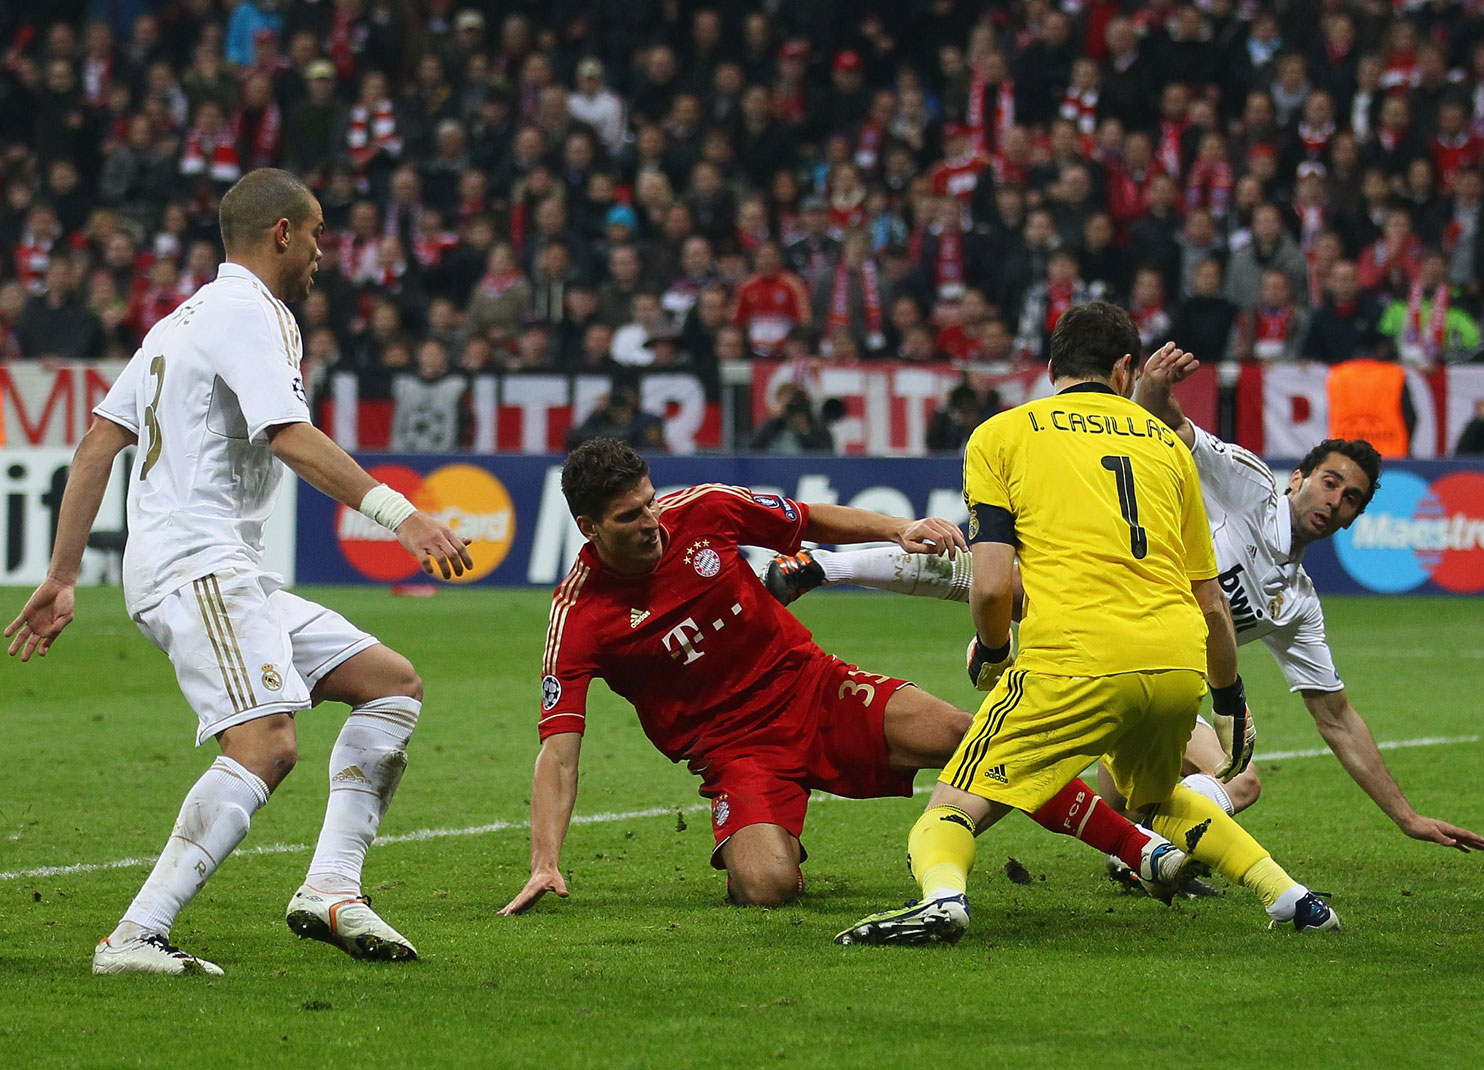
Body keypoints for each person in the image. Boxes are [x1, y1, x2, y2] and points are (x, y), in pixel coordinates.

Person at [4, 169, 472, 976]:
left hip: (221, 569)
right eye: (318, 235)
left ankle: (331, 887)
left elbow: (96, 447)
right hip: (198, 560)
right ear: (283, 232)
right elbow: (289, 434)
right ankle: (133, 937)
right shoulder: (253, 312)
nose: (324, 253)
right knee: (267, 741)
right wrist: (402, 515)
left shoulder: (177, 322)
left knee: (391, 685)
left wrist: (62, 574)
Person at [498, 439, 1195, 913]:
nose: (652, 521)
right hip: (737, 753)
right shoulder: (578, 616)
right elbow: (559, 752)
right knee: (767, 887)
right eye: (630, 516)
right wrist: (545, 861)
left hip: (814, 687)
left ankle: (1141, 852)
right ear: (589, 527)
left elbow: (808, 521)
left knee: (969, 736)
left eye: (650, 501)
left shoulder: (701, 510)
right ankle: (766, 835)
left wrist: (896, 529)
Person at [834, 303, 1344, 948]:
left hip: (1073, 659)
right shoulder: (1166, 444)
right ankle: (1290, 898)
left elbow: (992, 582)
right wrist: (1231, 698)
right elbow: (1211, 600)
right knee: (1158, 797)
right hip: (1176, 663)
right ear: (1125, 367)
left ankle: (942, 901)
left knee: (952, 804)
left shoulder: (1002, 434)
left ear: (1052, 366)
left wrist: (993, 654)